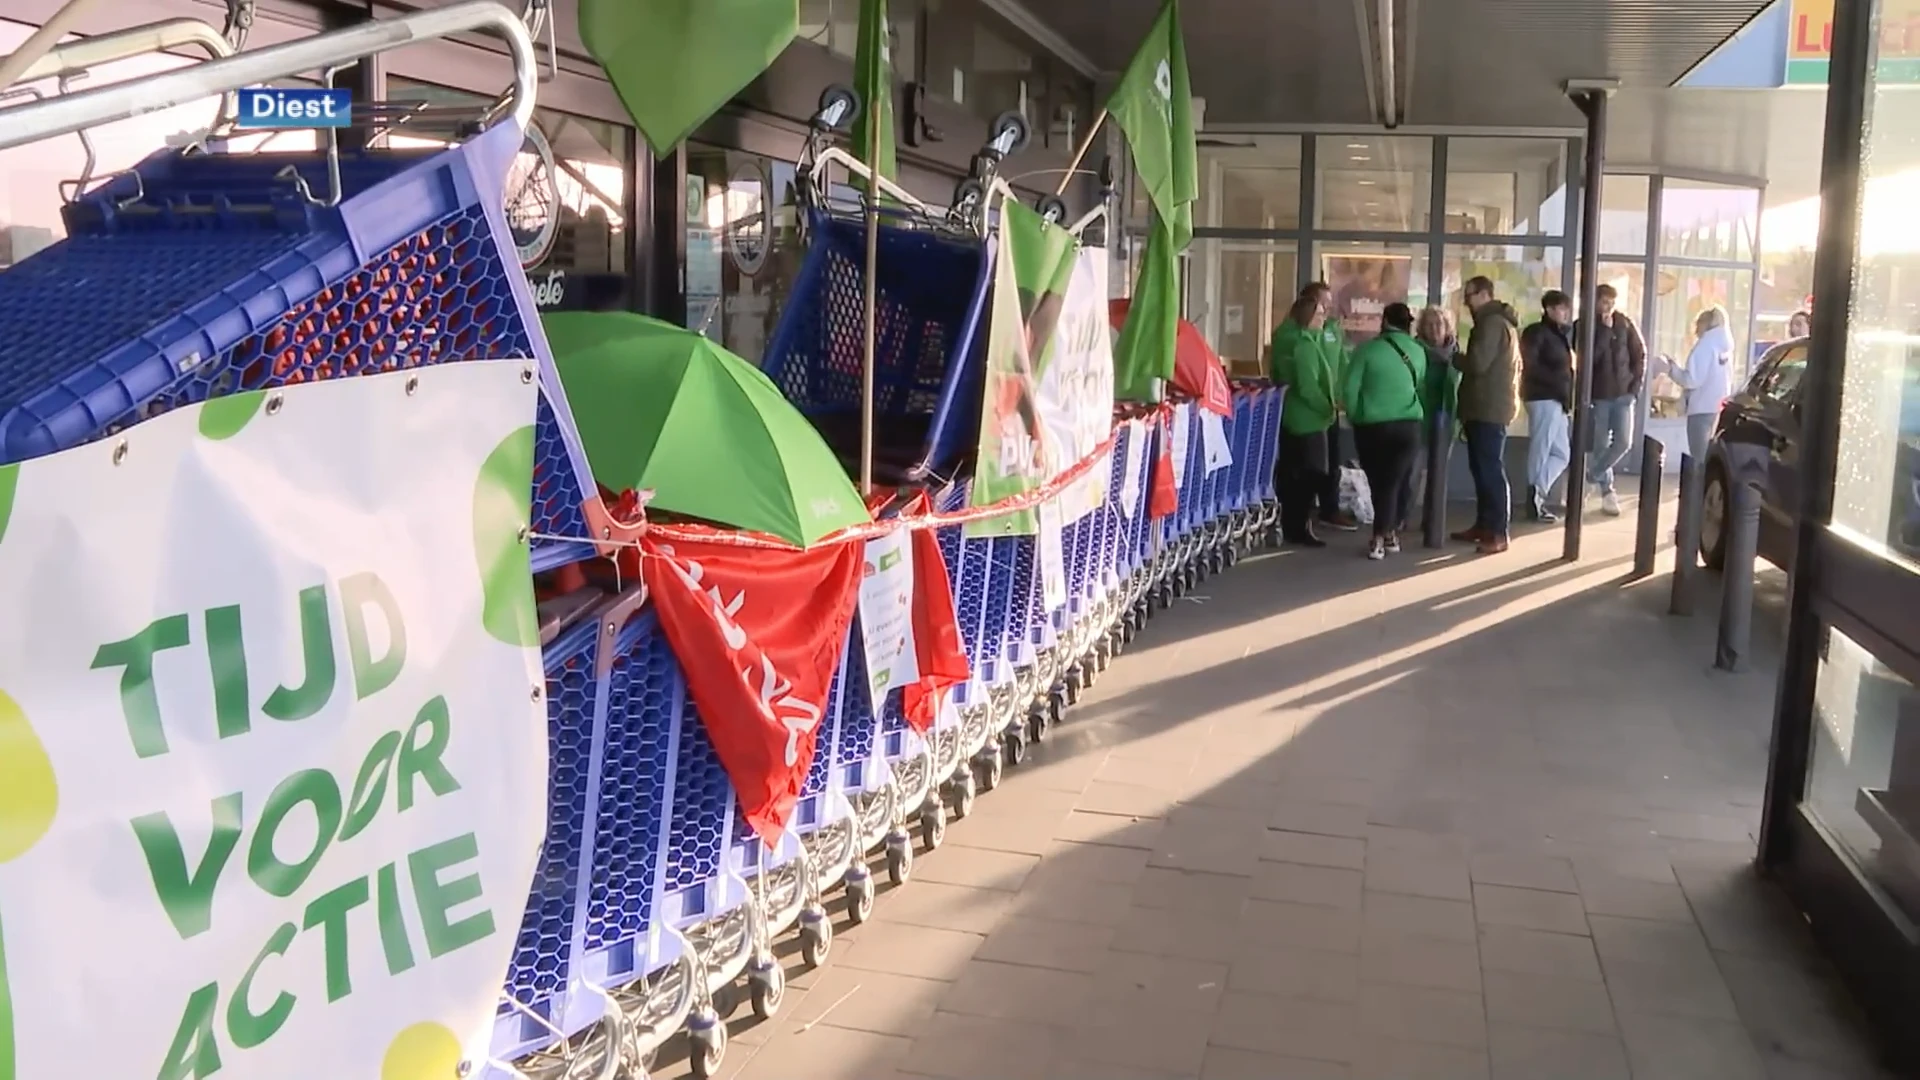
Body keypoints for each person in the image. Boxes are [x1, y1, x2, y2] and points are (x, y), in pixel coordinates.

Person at [1344, 303, 1433, 559]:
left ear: (1385, 321)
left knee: (1380, 482)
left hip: (1373, 426)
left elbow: (1350, 389)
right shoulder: (1418, 351)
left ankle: (1378, 537)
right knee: (1395, 480)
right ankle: (1389, 533)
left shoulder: (1367, 351)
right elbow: (1421, 387)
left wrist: (1355, 415)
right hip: (1408, 425)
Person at [1274, 281, 1360, 532]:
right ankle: (1299, 520)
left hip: (1323, 410)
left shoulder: (1322, 335)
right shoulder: (1297, 340)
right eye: (1322, 307)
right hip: (1307, 414)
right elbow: (1304, 383)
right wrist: (1326, 406)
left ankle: (1316, 514)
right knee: (1305, 470)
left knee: (1324, 465)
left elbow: (1339, 365)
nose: (1327, 311)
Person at [1453, 276, 1522, 555]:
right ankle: (1485, 526)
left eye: (1469, 295)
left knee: (1490, 470)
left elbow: (1478, 364)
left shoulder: (1491, 323)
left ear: (1484, 294)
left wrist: (1452, 356)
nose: (1466, 301)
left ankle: (1497, 532)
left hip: (1489, 408)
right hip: (1487, 406)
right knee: (1483, 469)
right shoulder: (1494, 322)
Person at [1270, 294, 1341, 546]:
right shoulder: (1305, 346)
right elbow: (1308, 386)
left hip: (1303, 418)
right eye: (1319, 315)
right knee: (1310, 474)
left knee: (1300, 474)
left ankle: (1296, 524)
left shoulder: (1309, 342)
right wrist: (1328, 407)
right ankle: (1298, 525)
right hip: (1308, 419)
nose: (1324, 319)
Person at [1577, 283, 1648, 517]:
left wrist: (1635, 387)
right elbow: (1588, 359)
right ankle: (1608, 493)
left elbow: (1640, 354)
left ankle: (1591, 477)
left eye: (1611, 302)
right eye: (1604, 302)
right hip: (1600, 394)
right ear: (1595, 302)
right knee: (1600, 445)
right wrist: (1605, 332)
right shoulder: (1585, 325)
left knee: (1623, 442)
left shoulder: (1625, 323)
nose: (1608, 307)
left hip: (1624, 393)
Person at [1519, 290, 1575, 524]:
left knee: (1562, 453)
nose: (1566, 313)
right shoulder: (1537, 332)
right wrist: (1557, 383)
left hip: (1557, 400)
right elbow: (1528, 364)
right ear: (1549, 309)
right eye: (1562, 308)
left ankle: (1537, 492)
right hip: (1543, 397)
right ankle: (1534, 497)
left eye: (1566, 308)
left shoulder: (1559, 336)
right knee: (1541, 448)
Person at [1412, 306, 1462, 535]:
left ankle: (1432, 522)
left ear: (1447, 327)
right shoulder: (1414, 351)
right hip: (1419, 417)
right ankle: (1400, 518)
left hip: (1446, 418)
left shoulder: (1456, 354)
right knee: (1412, 471)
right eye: (1429, 325)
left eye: (1439, 324)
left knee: (1439, 472)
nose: (1434, 329)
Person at [1664, 306, 1736, 465]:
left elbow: (1692, 380)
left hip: (1701, 406)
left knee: (1698, 456)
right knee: (1709, 455)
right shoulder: (1724, 344)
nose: (1695, 330)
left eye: (1697, 324)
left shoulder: (1705, 345)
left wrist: (1671, 369)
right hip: (1718, 406)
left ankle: (1696, 489)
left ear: (1705, 324)